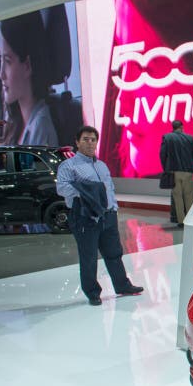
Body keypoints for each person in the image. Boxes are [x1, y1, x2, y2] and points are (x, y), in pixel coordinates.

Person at [56, 126, 144, 306]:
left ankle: (123, 286)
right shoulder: (68, 166)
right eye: (86, 139)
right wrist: (85, 191)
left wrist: (114, 208)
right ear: (77, 142)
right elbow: (62, 188)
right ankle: (92, 292)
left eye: (93, 140)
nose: (90, 143)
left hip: (108, 216)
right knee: (88, 257)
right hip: (85, 218)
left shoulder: (101, 165)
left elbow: (109, 189)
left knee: (114, 254)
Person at [0, 11, 58, 146]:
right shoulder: (13, 121)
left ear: (27, 66)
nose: (1, 74)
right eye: (1, 59)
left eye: (7, 61)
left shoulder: (41, 127)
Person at [160, 120, 193, 226]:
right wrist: (192, 167)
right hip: (188, 171)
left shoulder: (167, 137)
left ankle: (181, 221)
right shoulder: (190, 138)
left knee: (177, 197)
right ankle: (190, 220)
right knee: (189, 196)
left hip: (174, 172)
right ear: (181, 127)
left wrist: (166, 169)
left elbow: (162, 155)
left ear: (172, 127)